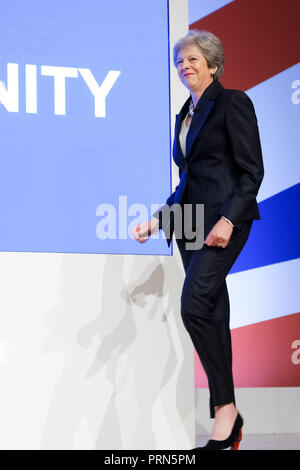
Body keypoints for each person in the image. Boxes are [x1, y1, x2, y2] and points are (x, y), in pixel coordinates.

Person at [132, 29, 264, 450]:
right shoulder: (183, 115)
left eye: (192, 60)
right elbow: (189, 181)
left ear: (212, 64)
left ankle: (225, 410)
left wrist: (228, 219)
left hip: (222, 224)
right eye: (179, 62)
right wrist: (158, 219)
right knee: (213, 314)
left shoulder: (233, 103)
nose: (184, 67)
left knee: (193, 304)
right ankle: (229, 414)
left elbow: (251, 172)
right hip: (190, 224)